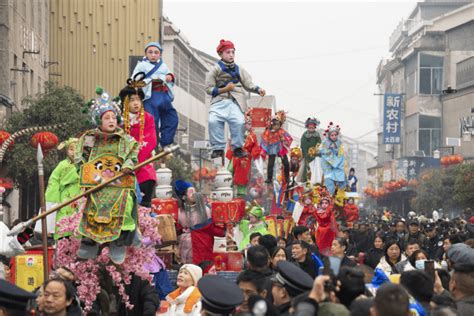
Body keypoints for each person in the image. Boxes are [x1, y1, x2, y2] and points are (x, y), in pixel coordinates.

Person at [75, 87, 139, 264]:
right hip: (96, 184)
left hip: (119, 184)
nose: (111, 120)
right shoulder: (89, 139)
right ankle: (90, 242)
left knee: (123, 208)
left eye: (113, 117)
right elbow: (80, 159)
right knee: (91, 210)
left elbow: (132, 156)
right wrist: (86, 173)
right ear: (99, 121)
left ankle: (117, 242)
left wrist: (127, 165)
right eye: (106, 118)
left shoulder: (126, 139)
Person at [205, 39, 265, 160]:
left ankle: (237, 147)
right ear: (221, 54)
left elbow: (248, 83)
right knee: (213, 121)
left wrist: (257, 89)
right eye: (228, 52)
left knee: (238, 122)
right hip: (219, 101)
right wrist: (224, 89)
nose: (231, 55)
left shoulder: (239, 69)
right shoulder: (215, 70)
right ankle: (217, 148)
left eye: (233, 52)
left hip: (235, 102)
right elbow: (209, 89)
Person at [119, 73, 157, 207]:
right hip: (123, 170)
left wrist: (134, 162)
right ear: (125, 102)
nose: (136, 103)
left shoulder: (148, 118)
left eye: (138, 99)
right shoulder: (119, 121)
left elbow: (150, 141)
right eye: (131, 99)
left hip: (143, 168)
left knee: (144, 208)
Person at [132, 41, 178, 149]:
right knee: (152, 122)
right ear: (146, 54)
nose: (153, 55)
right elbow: (134, 80)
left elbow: (170, 76)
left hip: (164, 95)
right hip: (151, 96)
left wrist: (170, 77)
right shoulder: (141, 65)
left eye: (156, 52)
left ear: (160, 54)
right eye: (150, 52)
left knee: (172, 118)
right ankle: (153, 145)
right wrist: (153, 79)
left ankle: (166, 142)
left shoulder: (163, 65)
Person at [35, 137, 81, 240]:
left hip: (80, 195)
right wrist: (53, 199)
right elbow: (54, 180)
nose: (74, 152)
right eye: (71, 149)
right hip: (64, 197)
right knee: (63, 220)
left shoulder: (84, 164)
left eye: (77, 149)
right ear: (66, 151)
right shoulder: (62, 165)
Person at [226, 111, 262, 196]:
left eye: (250, 123)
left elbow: (255, 148)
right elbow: (232, 143)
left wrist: (255, 155)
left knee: (241, 178)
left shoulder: (252, 136)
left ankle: (240, 196)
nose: (248, 125)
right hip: (235, 156)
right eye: (246, 123)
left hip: (244, 159)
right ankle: (227, 189)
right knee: (229, 171)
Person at [261, 111, 292, 185]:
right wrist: (266, 148)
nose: (277, 127)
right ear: (272, 124)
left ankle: (287, 178)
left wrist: (283, 140)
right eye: (275, 125)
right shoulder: (268, 132)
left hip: (281, 148)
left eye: (278, 125)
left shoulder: (281, 131)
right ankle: (269, 178)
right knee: (270, 163)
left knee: (286, 163)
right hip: (272, 149)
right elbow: (264, 139)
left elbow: (289, 138)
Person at [319, 122, 346, 195]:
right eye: (332, 135)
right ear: (329, 136)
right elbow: (322, 152)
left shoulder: (340, 144)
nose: (334, 137)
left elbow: (342, 156)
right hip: (328, 167)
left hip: (338, 167)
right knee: (329, 182)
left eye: (335, 135)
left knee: (342, 181)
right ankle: (328, 197)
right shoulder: (325, 143)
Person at [313, 186, 337, 256]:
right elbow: (323, 218)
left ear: (328, 204)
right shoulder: (319, 212)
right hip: (322, 231)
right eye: (322, 203)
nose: (324, 205)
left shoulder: (330, 212)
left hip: (330, 232)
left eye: (326, 203)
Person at [299, 117, 322, 183]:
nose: (311, 129)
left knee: (316, 169)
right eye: (309, 128)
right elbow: (303, 146)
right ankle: (306, 182)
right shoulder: (304, 135)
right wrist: (307, 155)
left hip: (315, 156)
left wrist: (316, 152)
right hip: (307, 156)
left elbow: (319, 144)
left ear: (315, 127)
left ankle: (317, 181)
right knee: (306, 170)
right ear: (307, 127)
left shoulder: (317, 135)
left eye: (312, 128)